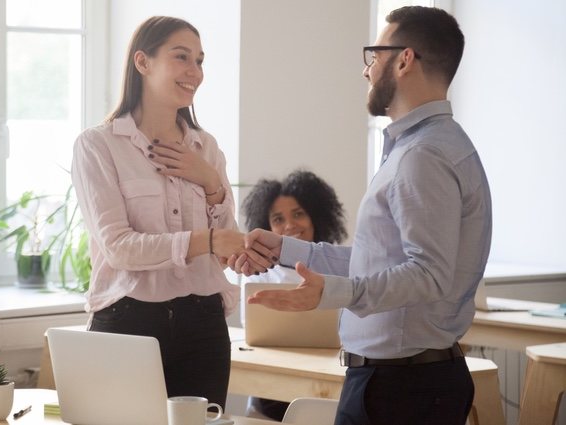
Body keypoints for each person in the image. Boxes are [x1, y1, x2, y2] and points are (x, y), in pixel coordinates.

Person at [234, 7, 492, 425]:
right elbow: (378, 261)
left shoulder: (423, 155)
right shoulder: (423, 147)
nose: (367, 70)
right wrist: (284, 249)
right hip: (399, 381)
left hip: (402, 388)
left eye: (374, 55)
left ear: (404, 59)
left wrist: (332, 293)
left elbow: (428, 274)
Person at [71, 16, 270, 408]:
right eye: (182, 57)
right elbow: (119, 248)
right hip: (128, 325)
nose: (194, 72)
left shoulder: (207, 149)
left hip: (204, 325)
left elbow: (226, 249)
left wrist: (211, 182)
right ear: (142, 63)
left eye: (200, 61)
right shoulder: (98, 146)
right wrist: (207, 240)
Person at [241, 169, 347, 421]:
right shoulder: (258, 273)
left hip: (327, 378)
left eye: (298, 214)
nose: (289, 225)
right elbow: (252, 328)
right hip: (270, 384)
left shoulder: (340, 265)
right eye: (278, 219)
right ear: (267, 226)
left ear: (316, 217)